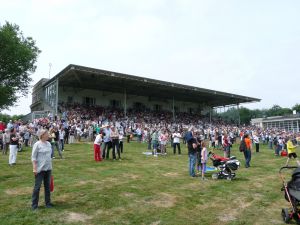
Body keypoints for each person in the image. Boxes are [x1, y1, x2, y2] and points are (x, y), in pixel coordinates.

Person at [31, 129, 53, 210]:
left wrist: (50, 167)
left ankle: (48, 203)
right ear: (42, 135)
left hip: (48, 168)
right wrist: (34, 168)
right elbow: (33, 158)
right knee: (37, 188)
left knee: (47, 187)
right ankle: (34, 205)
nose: (48, 135)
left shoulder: (49, 144)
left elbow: (49, 156)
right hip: (40, 169)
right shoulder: (37, 144)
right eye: (47, 134)